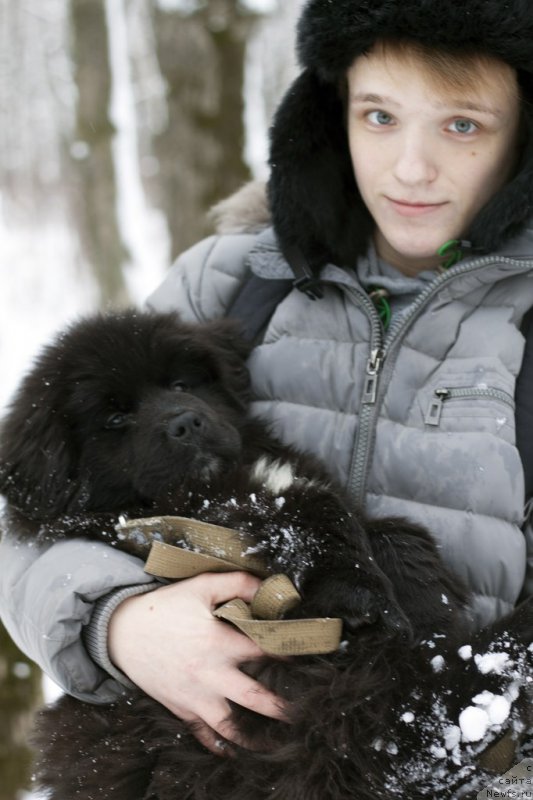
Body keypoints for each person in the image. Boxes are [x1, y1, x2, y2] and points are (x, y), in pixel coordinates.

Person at [1, 0, 532, 758]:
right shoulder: (232, 281)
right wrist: (114, 622)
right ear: (328, 113)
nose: (411, 168)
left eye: (461, 125)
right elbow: (25, 524)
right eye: (379, 117)